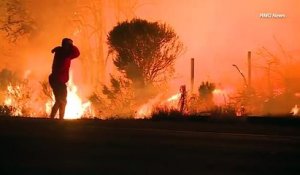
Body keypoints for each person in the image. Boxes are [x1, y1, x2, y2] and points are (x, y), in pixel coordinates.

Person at [49, 38, 80, 119]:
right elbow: (77, 53)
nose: (71, 47)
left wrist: (60, 47)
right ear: (66, 45)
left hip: (58, 80)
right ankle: (55, 119)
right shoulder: (63, 53)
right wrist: (71, 46)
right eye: (70, 45)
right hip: (57, 80)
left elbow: (76, 53)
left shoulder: (62, 52)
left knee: (61, 101)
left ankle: (58, 119)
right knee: (61, 100)